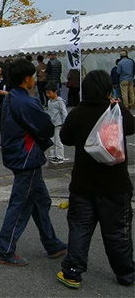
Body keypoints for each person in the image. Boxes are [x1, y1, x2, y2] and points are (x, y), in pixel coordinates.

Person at [56, 70, 135, 289]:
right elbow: (131, 127)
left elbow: (65, 138)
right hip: (115, 185)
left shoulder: (78, 113)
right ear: (109, 89)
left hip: (83, 184)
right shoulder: (115, 111)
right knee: (117, 232)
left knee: (80, 229)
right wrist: (117, 105)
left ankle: (72, 272)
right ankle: (126, 274)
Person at [0, 59, 66, 266]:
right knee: (22, 204)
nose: (34, 79)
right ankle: (5, 248)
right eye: (33, 76)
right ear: (27, 78)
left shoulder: (12, 97)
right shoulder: (26, 101)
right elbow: (45, 127)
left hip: (18, 154)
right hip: (26, 157)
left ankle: (52, 243)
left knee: (40, 201)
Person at [45, 82, 67, 163]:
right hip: (51, 124)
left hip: (59, 124)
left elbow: (64, 113)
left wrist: (65, 123)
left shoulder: (60, 102)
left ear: (55, 92)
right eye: (47, 93)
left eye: (50, 93)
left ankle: (60, 156)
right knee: (52, 141)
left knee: (58, 141)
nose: (48, 95)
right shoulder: (49, 102)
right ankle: (53, 155)